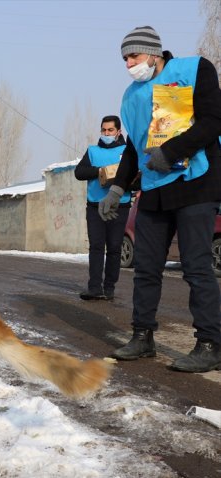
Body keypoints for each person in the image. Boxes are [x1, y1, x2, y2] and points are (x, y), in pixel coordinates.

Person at [99, 26, 221, 372]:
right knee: (146, 268)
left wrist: (171, 151)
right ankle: (142, 336)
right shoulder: (130, 96)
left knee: (197, 265)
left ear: (154, 52)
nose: (129, 64)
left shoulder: (195, 69)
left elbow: (214, 121)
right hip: (154, 189)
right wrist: (119, 188)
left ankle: (211, 343)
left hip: (195, 181)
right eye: (124, 58)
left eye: (133, 56)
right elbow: (134, 150)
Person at [74, 115, 131, 300]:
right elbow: (79, 172)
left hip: (119, 206)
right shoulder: (92, 151)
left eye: (110, 130)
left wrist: (119, 179)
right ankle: (94, 288)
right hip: (94, 207)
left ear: (118, 132)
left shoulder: (127, 151)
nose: (106, 133)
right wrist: (100, 171)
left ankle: (109, 288)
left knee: (114, 248)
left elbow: (136, 178)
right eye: (104, 130)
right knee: (96, 247)